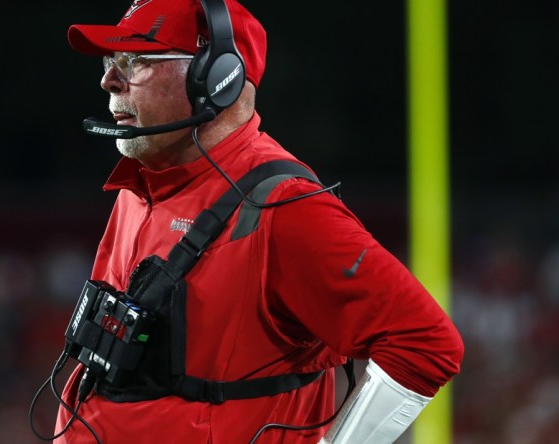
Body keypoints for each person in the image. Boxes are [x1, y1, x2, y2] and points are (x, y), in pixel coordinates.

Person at [52, 0, 464, 443]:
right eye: (112, 61)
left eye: (136, 61)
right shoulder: (146, 181)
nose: (108, 80)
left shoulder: (284, 205)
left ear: (216, 77)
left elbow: (426, 342)